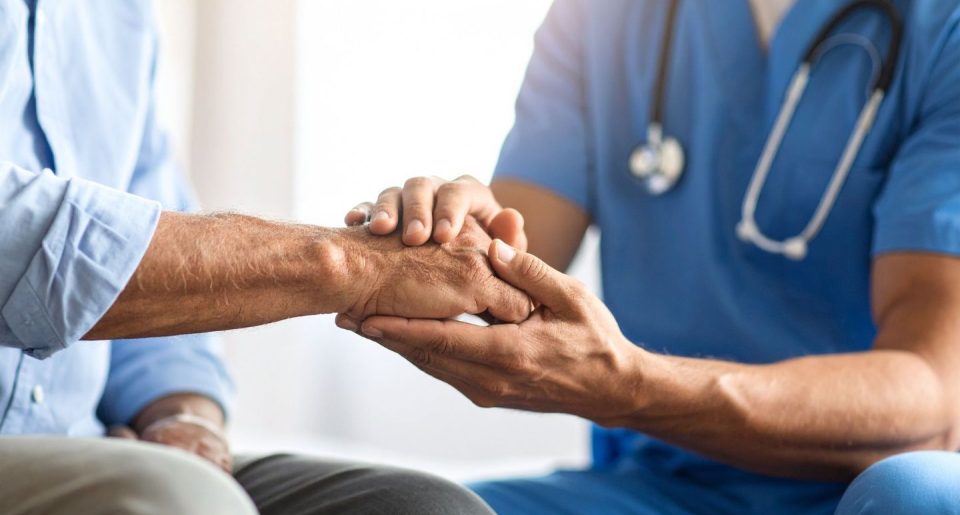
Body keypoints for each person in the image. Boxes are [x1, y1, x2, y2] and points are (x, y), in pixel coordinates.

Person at [339, 0, 960, 513]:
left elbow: (932, 386)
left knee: (905, 497)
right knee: (396, 505)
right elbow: (517, 258)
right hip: (657, 487)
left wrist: (630, 384)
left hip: (863, 484)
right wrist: (453, 237)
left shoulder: (942, 30)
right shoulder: (600, 16)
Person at [0, 1, 529, 513]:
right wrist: (355, 265)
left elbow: (152, 264)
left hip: (94, 442)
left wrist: (184, 417)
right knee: (179, 500)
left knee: (426, 507)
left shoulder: (120, 13)